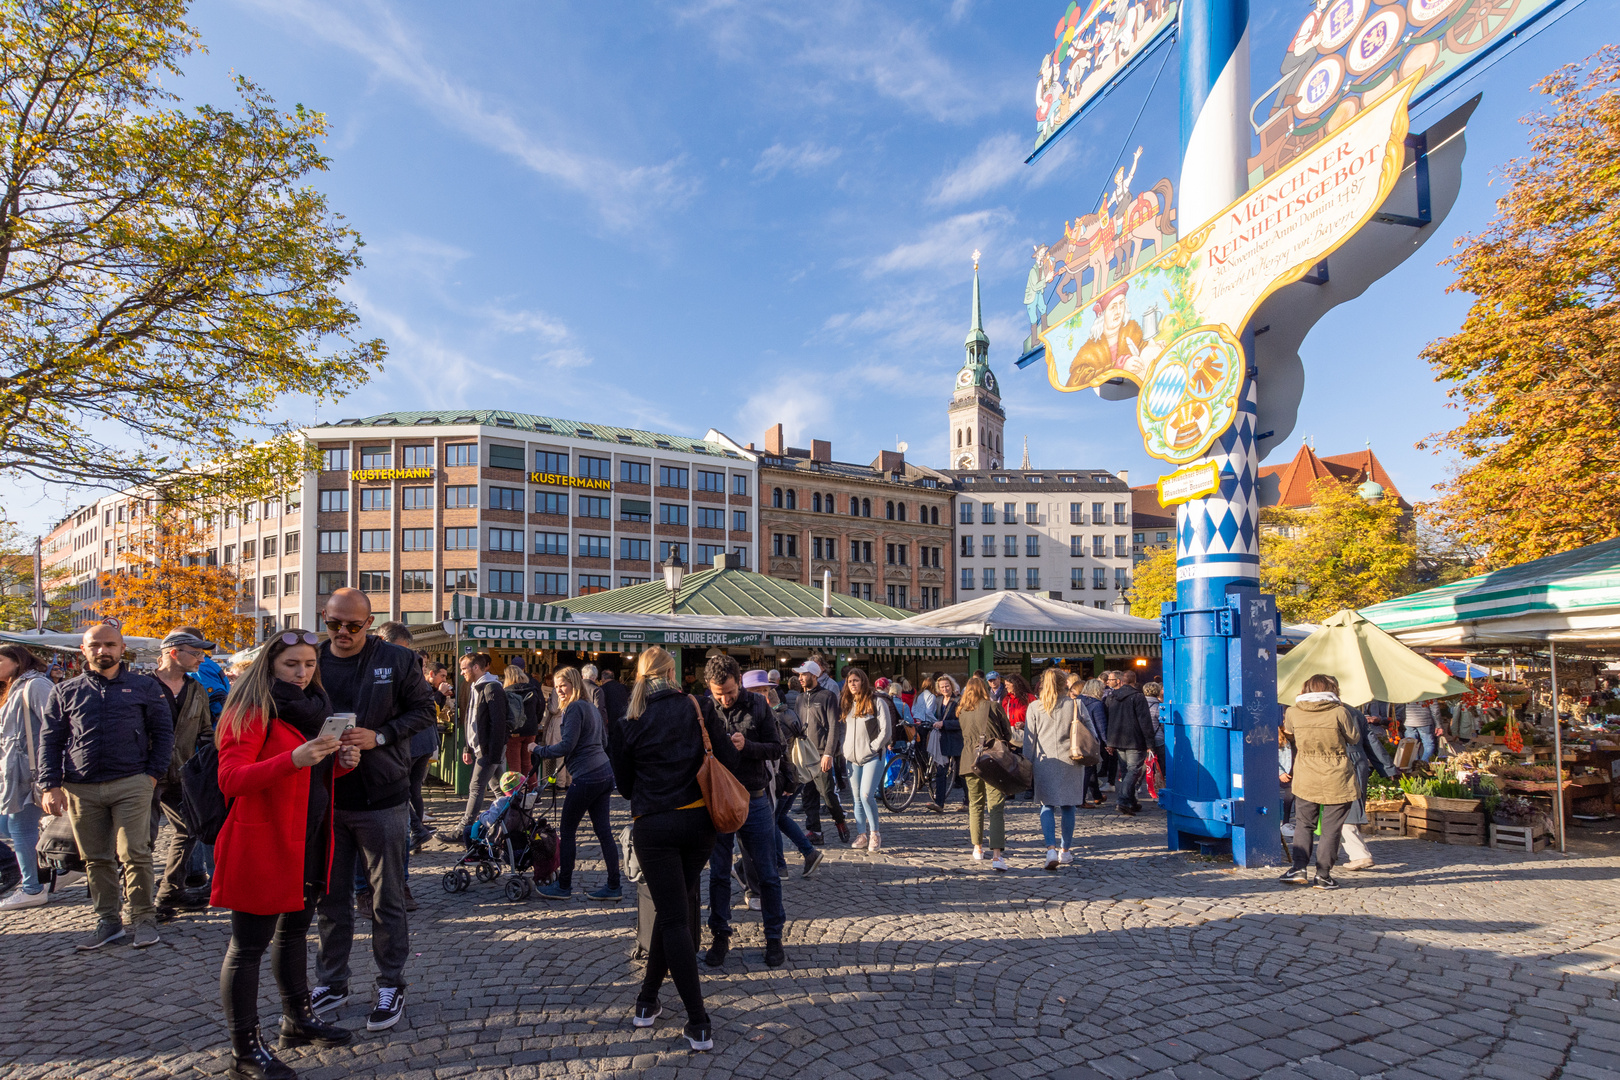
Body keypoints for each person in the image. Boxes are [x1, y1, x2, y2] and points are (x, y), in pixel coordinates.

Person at [214, 630, 360, 1080]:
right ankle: (244, 1051)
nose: (302, 673)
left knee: (294, 933)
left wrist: (340, 761)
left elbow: (310, 773)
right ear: (270, 665)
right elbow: (231, 778)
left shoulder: (315, 709)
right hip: (263, 842)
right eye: (291, 665)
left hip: (308, 839)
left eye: (309, 665)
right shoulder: (252, 708)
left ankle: (297, 1020)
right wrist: (295, 758)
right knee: (248, 947)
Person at [310, 588, 437, 1032]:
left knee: (386, 899)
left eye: (353, 625)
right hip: (327, 798)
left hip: (383, 795)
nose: (342, 633)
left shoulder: (398, 660)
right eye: (334, 624)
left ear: (369, 622)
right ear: (324, 618)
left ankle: (390, 983)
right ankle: (332, 981)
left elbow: (425, 712)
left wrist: (379, 736)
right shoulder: (313, 660)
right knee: (332, 898)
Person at [607, 646, 741, 1052]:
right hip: (700, 824)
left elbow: (627, 787)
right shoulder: (696, 707)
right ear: (672, 672)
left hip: (655, 826)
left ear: (641, 676)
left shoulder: (628, 721)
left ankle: (699, 1022)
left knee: (673, 919)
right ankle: (647, 1000)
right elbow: (727, 755)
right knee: (675, 911)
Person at [39, 621, 174, 950]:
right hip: (81, 786)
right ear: (83, 650)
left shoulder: (144, 686)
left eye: (110, 645)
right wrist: (50, 784)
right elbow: (50, 740)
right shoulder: (65, 691)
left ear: (121, 648)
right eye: (95, 645)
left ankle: (143, 917)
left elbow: (164, 732)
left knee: (135, 852)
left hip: (132, 781)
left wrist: (152, 775)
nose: (103, 651)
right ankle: (108, 921)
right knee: (96, 857)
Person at [698, 654, 786, 967]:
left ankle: (773, 937)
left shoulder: (759, 705)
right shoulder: (705, 709)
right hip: (719, 800)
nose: (724, 698)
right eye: (718, 693)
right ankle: (720, 935)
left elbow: (777, 748)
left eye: (730, 692)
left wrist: (746, 746)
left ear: (739, 680)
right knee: (719, 872)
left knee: (767, 872)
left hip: (754, 798)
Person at [531, 666, 621, 902]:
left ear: (574, 684)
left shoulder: (573, 709)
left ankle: (564, 886)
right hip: (604, 772)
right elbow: (603, 740)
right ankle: (614, 885)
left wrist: (538, 749)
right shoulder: (590, 706)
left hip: (587, 776)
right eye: (557, 686)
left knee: (567, 831)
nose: (559, 689)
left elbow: (566, 746)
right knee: (604, 832)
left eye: (564, 685)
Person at [148, 629, 217, 919]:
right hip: (146, 774)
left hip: (182, 772)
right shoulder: (144, 686)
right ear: (174, 653)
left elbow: (204, 730)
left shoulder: (196, 688)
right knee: (142, 839)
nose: (202, 658)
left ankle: (169, 891)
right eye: (196, 652)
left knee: (188, 830)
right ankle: (135, 902)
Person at [1279, 674, 1360, 890]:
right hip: (1337, 775)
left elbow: (1289, 735)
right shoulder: (1339, 712)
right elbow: (1354, 737)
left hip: (1306, 773)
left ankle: (1298, 867)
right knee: (1331, 829)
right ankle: (1323, 875)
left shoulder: (1293, 712)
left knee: (1304, 823)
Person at [752, 670, 822, 879]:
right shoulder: (789, 713)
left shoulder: (775, 719)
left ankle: (780, 866)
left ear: (765, 698)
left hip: (785, 777)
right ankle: (809, 853)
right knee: (779, 817)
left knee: (772, 819)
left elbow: (779, 753)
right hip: (795, 775)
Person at [0, 645, 53, 910]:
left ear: (16, 661)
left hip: (30, 773)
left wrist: (52, 769)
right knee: (11, 827)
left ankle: (32, 888)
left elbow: (55, 725)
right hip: (13, 772)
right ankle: (56, 870)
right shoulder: (12, 688)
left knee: (20, 828)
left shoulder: (35, 685)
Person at [437, 652, 510, 845]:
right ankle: (512, 823)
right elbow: (471, 721)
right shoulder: (475, 687)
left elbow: (499, 724)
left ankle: (463, 830)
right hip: (481, 748)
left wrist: (492, 755)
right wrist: (467, 748)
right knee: (499, 789)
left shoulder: (492, 688)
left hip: (489, 750)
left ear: (475, 667)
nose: (461, 673)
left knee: (476, 787)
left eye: (463, 669)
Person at [1024, 669, 1088, 869]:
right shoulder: (1075, 705)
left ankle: (1050, 849)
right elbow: (1090, 733)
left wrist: (1027, 764)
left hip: (1045, 762)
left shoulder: (1035, 707)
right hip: (1072, 760)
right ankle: (1065, 851)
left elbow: (1029, 741)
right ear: (1065, 684)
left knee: (1046, 805)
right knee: (1069, 806)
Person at [955, 676, 1013, 870]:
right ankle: (997, 855)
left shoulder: (961, 711)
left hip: (969, 761)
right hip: (992, 761)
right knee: (995, 807)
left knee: (975, 805)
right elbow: (1008, 734)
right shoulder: (993, 707)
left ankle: (977, 848)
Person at [793, 660, 849, 845]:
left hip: (821, 752)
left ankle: (839, 821)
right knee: (808, 795)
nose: (800, 678)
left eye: (804, 674)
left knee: (827, 793)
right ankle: (814, 831)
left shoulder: (827, 696)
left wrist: (829, 753)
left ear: (815, 675)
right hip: (804, 754)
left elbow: (834, 725)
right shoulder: (800, 698)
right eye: (799, 675)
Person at [839, 668, 894, 853]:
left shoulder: (877, 702)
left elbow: (886, 730)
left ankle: (875, 833)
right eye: (849, 681)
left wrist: (873, 747)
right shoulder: (848, 703)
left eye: (855, 680)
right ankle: (861, 834)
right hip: (852, 758)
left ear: (863, 681)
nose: (852, 684)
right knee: (856, 798)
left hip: (872, 756)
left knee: (866, 795)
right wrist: (845, 749)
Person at [1104, 670, 1157, 816]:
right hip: (1134, 739)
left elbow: (1108, 720)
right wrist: (1150, 744)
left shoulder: (1111, 697)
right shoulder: (1137, 697)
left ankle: (1131, 801)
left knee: (1127, 771)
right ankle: (1123, 801)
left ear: (1121, 681)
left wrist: (1110, 741)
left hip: (1117, 739)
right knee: (1133, 771)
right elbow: (1144, 722)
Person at [1069, 675, 1110, 806]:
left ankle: (1097, 796)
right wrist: (1107, 743)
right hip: (1090, 740)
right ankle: (1080, 799)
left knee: (1090, 768)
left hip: (1076, 738)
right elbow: (1101, 725)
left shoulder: (1075, 701)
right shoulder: (1096, 704)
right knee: (1088, 768)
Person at [925, 675, 963, 813]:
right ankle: (939, 803)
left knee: (961, 772)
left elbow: (962, 722)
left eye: (947, 686)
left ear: (951, 686)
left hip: (956, 739)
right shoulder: (939, 700)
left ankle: (967, 802)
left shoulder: (959, 700)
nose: (945, 688)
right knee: (940, 771)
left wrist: (944, 724)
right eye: (942, 687)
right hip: (943, 739)